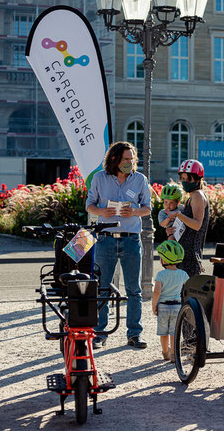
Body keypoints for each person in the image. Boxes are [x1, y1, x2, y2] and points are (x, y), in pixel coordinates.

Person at [86, 141, 151, 349]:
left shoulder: (140, 179)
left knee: (134, 289)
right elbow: (89, 204)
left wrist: (135, 212)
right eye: (126, 160)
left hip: (131, 239)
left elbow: (148, 208)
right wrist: (100, 211)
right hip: (105, 239)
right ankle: (100, 334)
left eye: (132, 160)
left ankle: (134, 334)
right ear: (115, 159)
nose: (130, 163)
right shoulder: (99, 178)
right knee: (102, 287)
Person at [166, 159, 209, 277]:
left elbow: (197, 225)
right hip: (184, 255)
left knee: (185, 293)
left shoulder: (198, 196)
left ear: (198, 178)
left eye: (188, 179)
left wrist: (179, 215)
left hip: (189, 257)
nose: (184, 182)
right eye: (182, 178)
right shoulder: (192, 196)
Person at [152, 240, 189, 363]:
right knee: (174, 331)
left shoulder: (161, 274)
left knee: (164, 332)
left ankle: (165, 353)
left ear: (165, 260)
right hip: (177, 307)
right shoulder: (183, 274)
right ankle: (174, 354)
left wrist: (154, 305)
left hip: (163, 306)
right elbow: (188, 288)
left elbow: (157, 292)